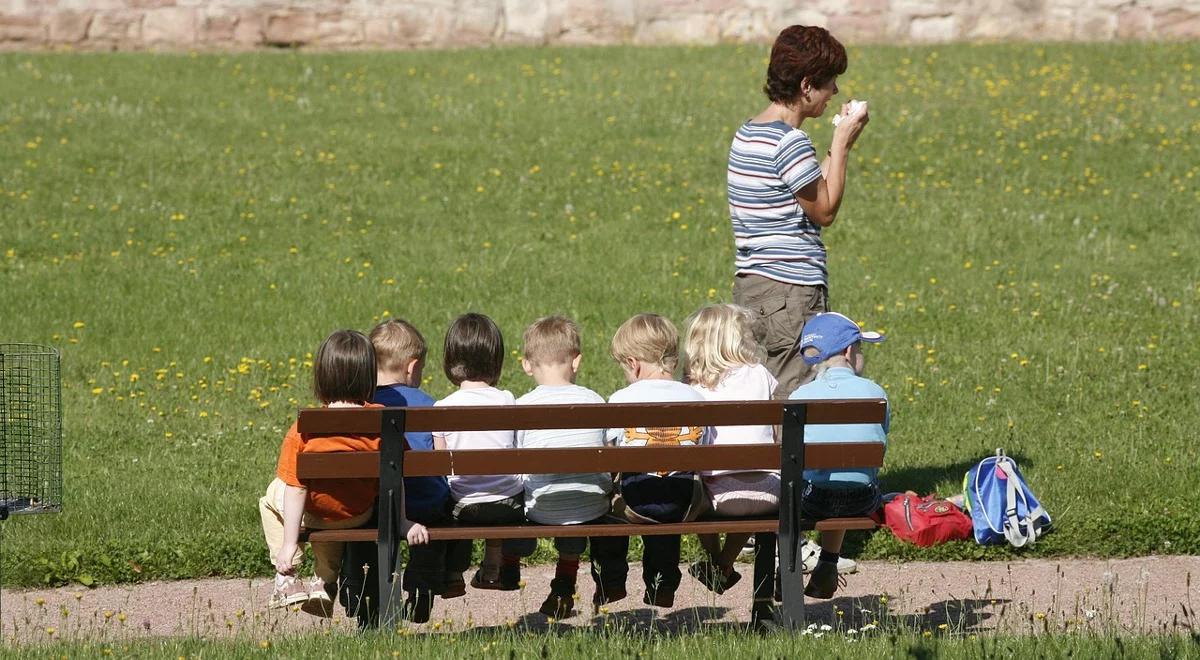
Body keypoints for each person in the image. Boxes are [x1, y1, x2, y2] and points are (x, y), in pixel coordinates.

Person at [728, 25, 870, 399]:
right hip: (790, 290)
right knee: (792, 399)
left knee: (763, 390)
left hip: (754, 287)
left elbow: (808, 192)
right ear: (806, 86)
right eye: (829, 84)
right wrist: (841, 145)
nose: (834, 92)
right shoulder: (789, 142)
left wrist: (834, 148)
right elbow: (823, 211)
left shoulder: (749, 133)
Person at [261, 329, 429, 617]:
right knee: (332, 505)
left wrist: (290, 545)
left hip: (319, 515)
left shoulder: (305, 428)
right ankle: (323, 582)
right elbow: (396, 475)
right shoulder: (384, 423)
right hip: (357, 513)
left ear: (321, 377)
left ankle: (287, 578)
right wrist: (401, 521)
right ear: (368, 377)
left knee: (271, 497)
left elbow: (296, 488)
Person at [603, 313, 711, 608]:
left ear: (633, 364)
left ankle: (611, 579)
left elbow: (609, 452)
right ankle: (661, 581)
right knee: (670, 489)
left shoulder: (620, 399)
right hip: (684, 500)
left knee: (612, 505)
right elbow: (708, 446)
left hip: (636, 501)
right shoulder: (696, 397)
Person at [510, 315, 615, 619]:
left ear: (527, 365)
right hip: (590, 506)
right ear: (576, 361)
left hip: (540, 509)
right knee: (577, 496)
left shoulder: (520, 406)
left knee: (538, 489)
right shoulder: (594, 400)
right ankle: (564, 586)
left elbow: (515, 464)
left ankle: (506, 565)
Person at [788, 312, 888, 599]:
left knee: (806, 482)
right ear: (848, 351)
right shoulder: (875, 393)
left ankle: (784, 575)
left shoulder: (799, 396)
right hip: (862, 499)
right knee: (847, 476)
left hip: (812, 500)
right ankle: (829, 562)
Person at [682, 304, 779, 595]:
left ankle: (716, 562)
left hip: (720, 498)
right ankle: (724, 563)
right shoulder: (761, 373)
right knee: (750, 491)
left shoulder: (694, 385)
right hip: (770, 493)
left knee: (694, 487)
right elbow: (775, 434)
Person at [433, 313, 524, 594]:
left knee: (454, 496)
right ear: (496, 360)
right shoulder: (509, 401)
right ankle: (494, 564)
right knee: (499, 492)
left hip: (464, 507)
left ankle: (453, 574)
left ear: (450, 360)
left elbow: (441, 469)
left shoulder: (442, 408)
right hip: (509, 504)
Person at [368, 318, 451, 623]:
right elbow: (443, 462)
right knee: (435, 501)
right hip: (425, 504)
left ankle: (364, 591)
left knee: (375, 515)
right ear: (412, 367)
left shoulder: (363, 406)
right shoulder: (430, 405)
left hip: (375, 505)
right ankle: (423, 586)